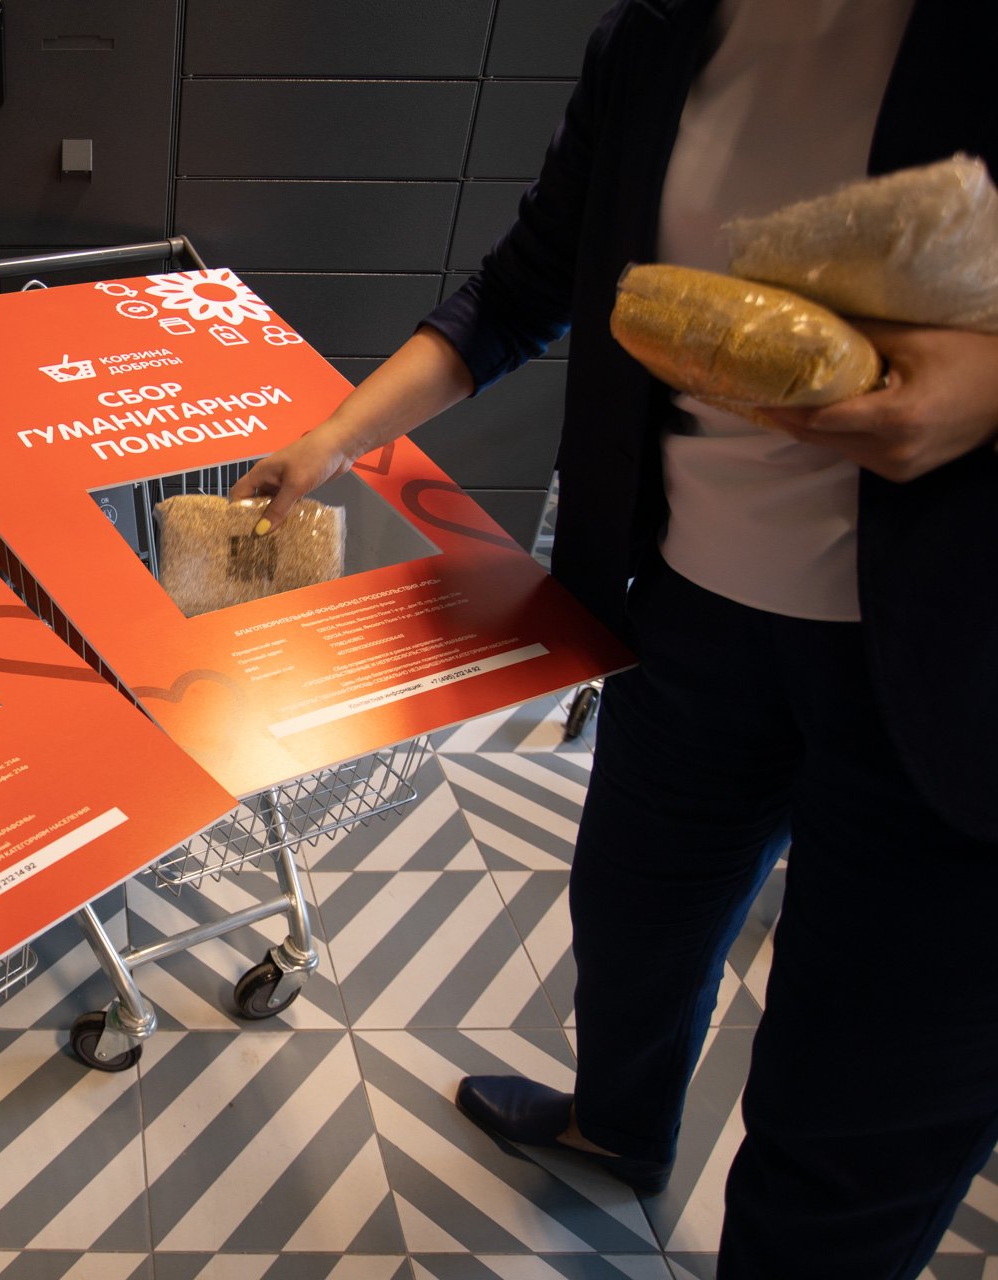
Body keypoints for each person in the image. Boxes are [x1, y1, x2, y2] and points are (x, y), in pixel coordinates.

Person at [231, 0, 998, 1275]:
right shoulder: (657, 34)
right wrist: (334, 438)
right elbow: (527, 281)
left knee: (852, 1111)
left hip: (951, 676)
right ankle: (618, 1125)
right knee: (636, 927)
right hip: (689, 617)